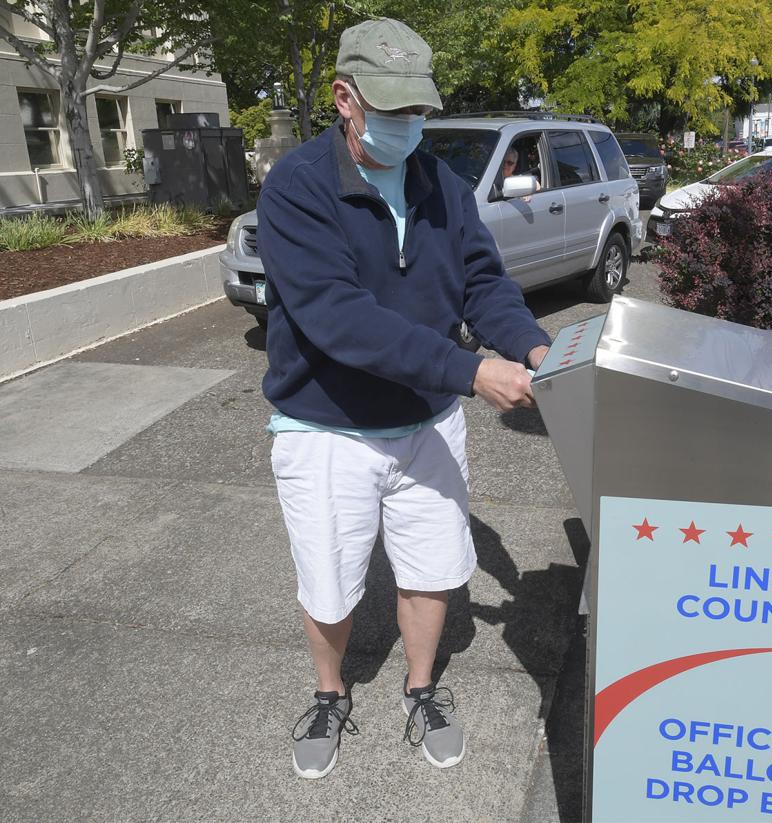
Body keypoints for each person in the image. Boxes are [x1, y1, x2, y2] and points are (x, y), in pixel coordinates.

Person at [256, 17, 551, 780]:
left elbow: (483, 283)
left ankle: (422, 688)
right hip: (327, 425)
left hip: (427, 422)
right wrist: (469, 370)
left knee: (430, 568)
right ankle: (330, 692)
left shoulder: (441, 185)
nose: (409, 126)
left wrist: (534, 346)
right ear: (344, 98)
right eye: (392, 110)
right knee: (329, 579)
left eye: (418, 109)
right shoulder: (296, 186)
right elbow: (340, 321)